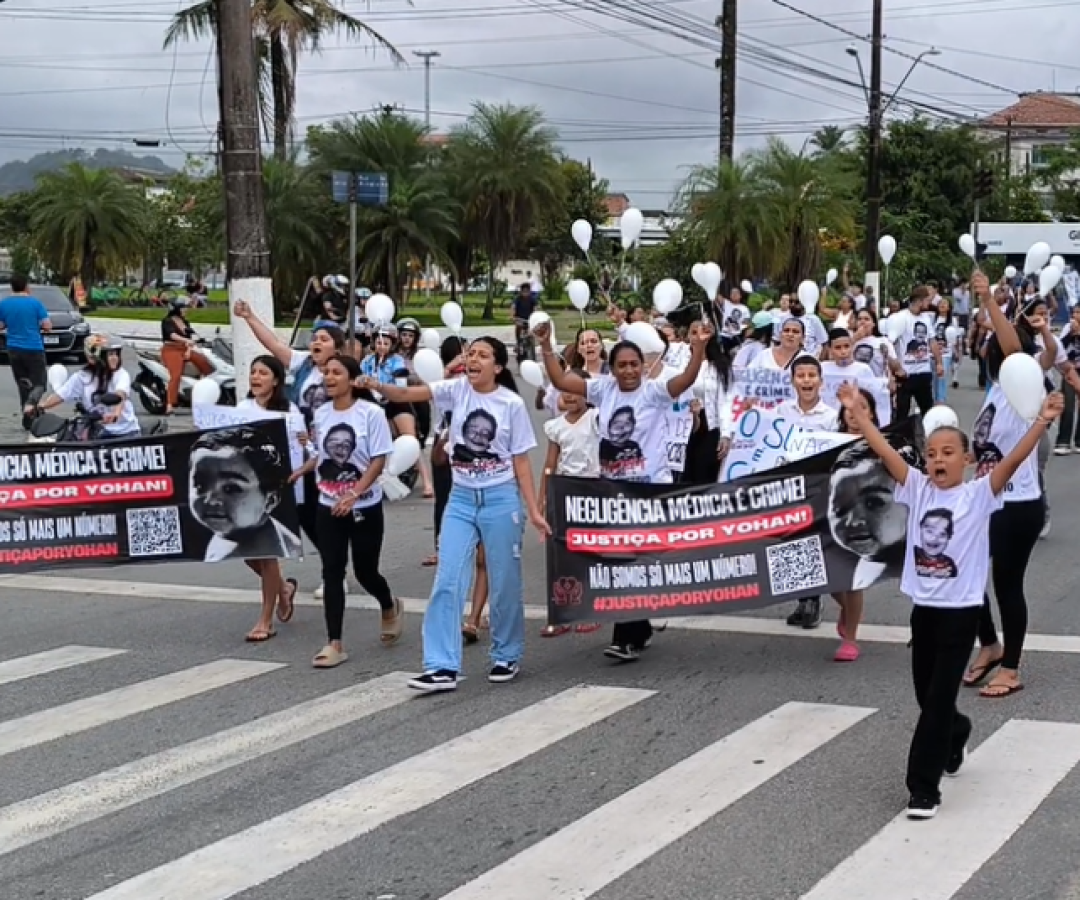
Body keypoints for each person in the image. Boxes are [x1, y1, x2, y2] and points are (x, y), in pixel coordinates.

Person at [836, 381, 1062, 819]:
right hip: (924, 614)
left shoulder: (979, 494)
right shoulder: (917, 487)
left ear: (967, 459)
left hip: (961, 616)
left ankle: (923, 788)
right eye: (932, 454)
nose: (938, 459)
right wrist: (860, 416)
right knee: (928, 696)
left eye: (948, 452)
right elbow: (883, 451)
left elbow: (1013, 460)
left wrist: (1041, 421)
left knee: (938, 701)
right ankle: (957, 732)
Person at [367, 337, 548, 691]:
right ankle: (441, 665)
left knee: (504, 581)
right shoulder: (455, 390)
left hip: (500, 499)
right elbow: (406, 394)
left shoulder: (511, 403)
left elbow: (522, 461)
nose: (474, 359)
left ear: (498, 367)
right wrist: (377, 384)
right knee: (447, 580)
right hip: (462, 500)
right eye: (471, 353)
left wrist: (533, 510)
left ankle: (506, 654)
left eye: (483, 355)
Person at [538, 320, 710, 662]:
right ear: (612, 368)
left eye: (634, 364)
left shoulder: (654, 391)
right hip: (614, 492)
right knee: (623, 559)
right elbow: (561, 381)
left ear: (643, 366)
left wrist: (699, 348)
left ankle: (627, 636)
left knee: (636, 559)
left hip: (649, 490)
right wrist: (545, 346)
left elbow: (686, 380)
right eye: (622, 365)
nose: (629, 371)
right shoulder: (603, 390)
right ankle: (637, 628)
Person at [291, 353, 402, 668]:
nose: (328, 377)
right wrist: (301, 469)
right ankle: (334, 643)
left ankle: (389, 604)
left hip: (364, 505)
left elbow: (378, 459)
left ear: (352, 380)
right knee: (332, 570)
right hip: (328, 504)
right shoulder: (321, 413)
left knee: (366, 572)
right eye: (326, 372)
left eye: (336, 373)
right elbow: (321, 455)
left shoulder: (371, 413)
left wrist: (355, 493)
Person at [233, 299, 347, 599]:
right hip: (297, 447)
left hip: (328, 449)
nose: (316, 343)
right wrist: (249, 316)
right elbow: (272, 344)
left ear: (337, 348)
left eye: (324, 339)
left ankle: (334, 573)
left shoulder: (341, 373)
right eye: (314, 338)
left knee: (319, 517)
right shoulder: (303, 363)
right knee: (301, 515)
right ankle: (284, 581)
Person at [233, 354, 306, 642]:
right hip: (246, 490)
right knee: (249, 555)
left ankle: (265, 620)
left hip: (277, 491)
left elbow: (303, 448)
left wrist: (305, 442)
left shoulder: (289, 411)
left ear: (276, 380)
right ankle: (283, 589)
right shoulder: (242, 409)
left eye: (263, 373)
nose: (256, 377)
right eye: (253, 372)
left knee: (268, 552)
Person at [538, 368, 602, 638]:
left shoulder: (597, 419)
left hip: (592, 491)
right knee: (561, 556)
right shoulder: (556, 426)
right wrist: (541, 500)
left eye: (577, 391)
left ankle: (590, 609)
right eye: (565, 390)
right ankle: (562, 613)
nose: (571, 396)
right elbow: (550, 464)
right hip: (563, 493)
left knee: (588, 554)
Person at [777, 355, 838, 630]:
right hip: (788, 488)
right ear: (792, 381)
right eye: (800, 376)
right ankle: (802, 601)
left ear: (821, 381)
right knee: (791, 544)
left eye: (811, 376)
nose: (806, 381)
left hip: (817, 488)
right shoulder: (781, 412)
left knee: (812, 542)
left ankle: (813, 599)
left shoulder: (831, 416)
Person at [188, 425, 303, 563]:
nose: (211, 500)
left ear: (270, 500)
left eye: (231, 488)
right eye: (200, 486)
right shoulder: (236, 533)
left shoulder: (262, 549)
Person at [28, 334, 139, 438]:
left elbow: (120, 395)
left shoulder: (121, 374)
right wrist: (40, 407)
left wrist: (115, 413)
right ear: (95, 356)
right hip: (97, 430)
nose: (115, 358)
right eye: (110, 354)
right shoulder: (82, 377)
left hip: (125, 432)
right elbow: (61, 395)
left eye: (116, 354)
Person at [0, 274, 51, 429]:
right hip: (33, 348)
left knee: (23, 384)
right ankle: (31, 403)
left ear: (12, 287)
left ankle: (28, 419)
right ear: (26, 286)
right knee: (40, 384)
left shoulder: (4, 304)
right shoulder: (35, 303)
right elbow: (47, 326)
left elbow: (0, 326)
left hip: (14, 349)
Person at [160, 297, 213, 415]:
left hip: (184, 349)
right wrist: (186, 341)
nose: (186, 310)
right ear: (176, 309)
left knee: (206, 364)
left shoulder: (185, 322)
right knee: (176, 374)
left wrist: (190, 347)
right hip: (171, 350)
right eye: (183, 308)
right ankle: (170, 404)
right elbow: (172, 335)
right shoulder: (167, 321)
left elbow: (191, 336)